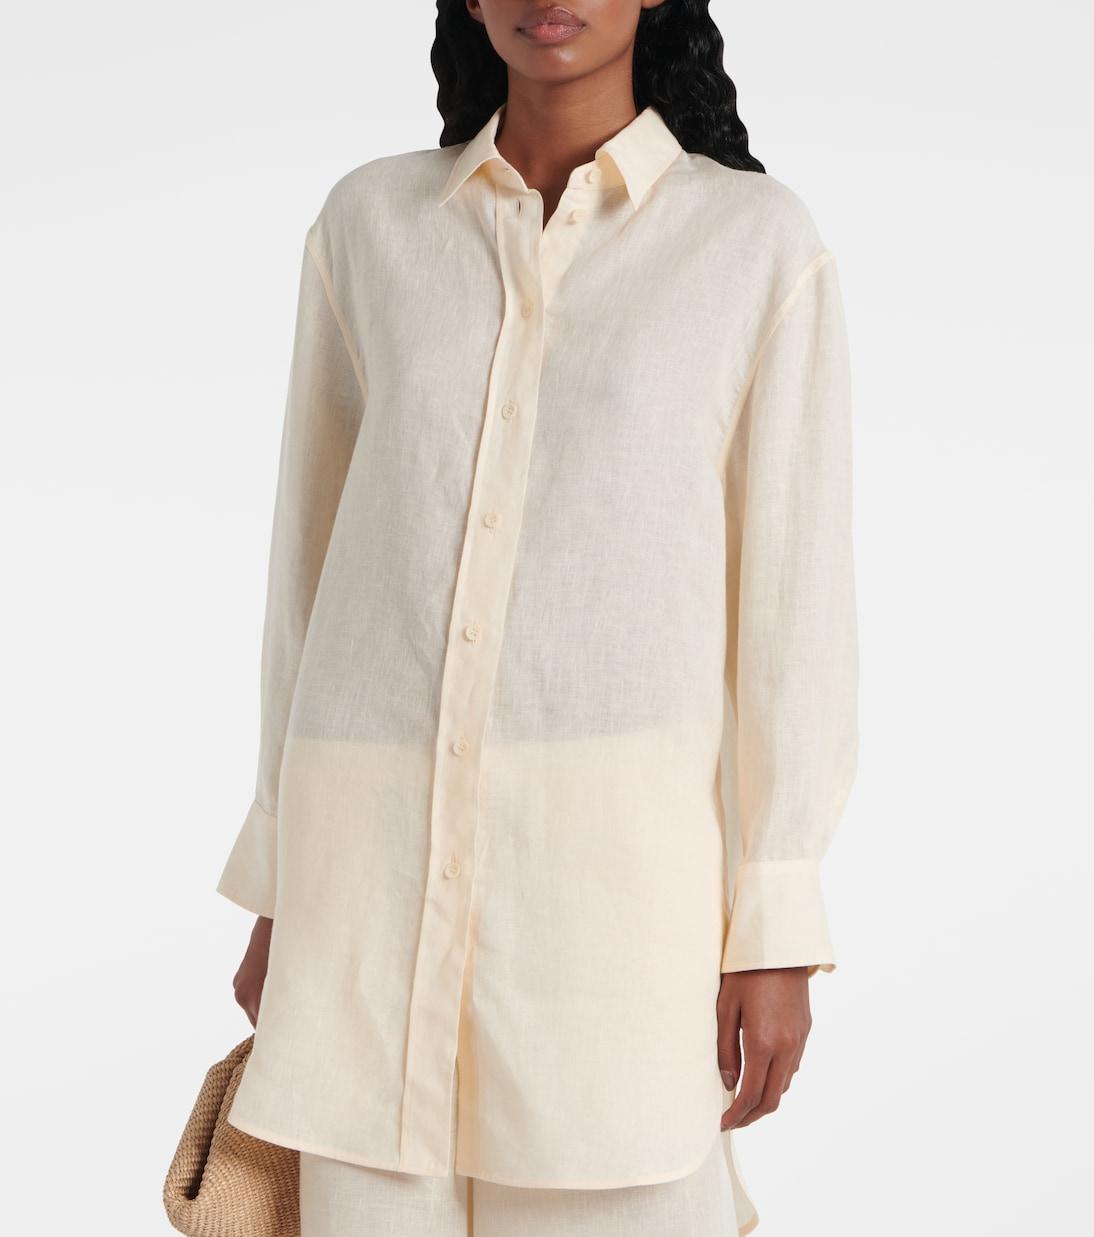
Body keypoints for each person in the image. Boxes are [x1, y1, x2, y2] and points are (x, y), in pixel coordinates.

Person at [216, 1, 859, 1233]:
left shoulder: (754, 245)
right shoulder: (367, 226)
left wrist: (774, 924)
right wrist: (283, 881)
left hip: (612, 915)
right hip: (366, 895)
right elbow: (311, 578)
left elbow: (794, 613)